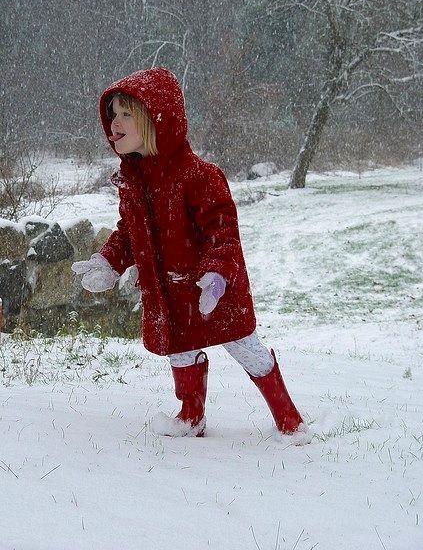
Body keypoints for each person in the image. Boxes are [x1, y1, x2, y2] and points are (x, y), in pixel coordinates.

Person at [72, 67, 305, 439]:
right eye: (112, 114)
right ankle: (191, 416)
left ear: (156, 120)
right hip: (170, 294)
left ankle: (289, 419)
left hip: (213, 290)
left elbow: (222, 233)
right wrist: (109, 262)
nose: (114, 122)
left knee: (247, 350)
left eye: (126, 113)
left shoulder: (200, 176)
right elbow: (130, 233)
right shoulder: (133, 181)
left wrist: (216, 275)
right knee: (179, 349)